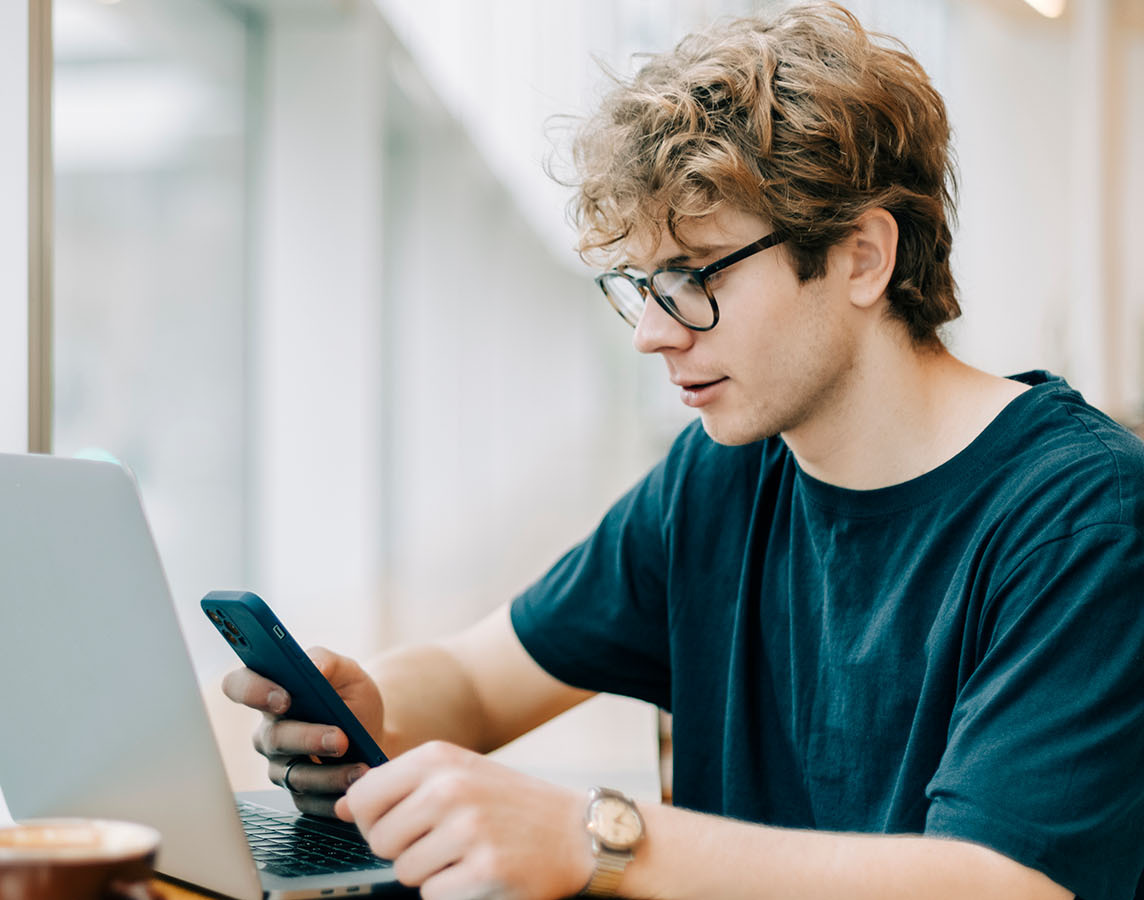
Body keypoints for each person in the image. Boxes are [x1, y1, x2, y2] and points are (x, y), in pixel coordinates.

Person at [221, 4, 1144, 899]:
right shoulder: (721, 473)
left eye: (692, 278)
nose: (651, 334)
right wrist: (363, 711)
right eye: (643, 284)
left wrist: (598, 839)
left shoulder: (1080, 515)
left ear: (863, 257)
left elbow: (1004, 881)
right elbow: (473, 678)